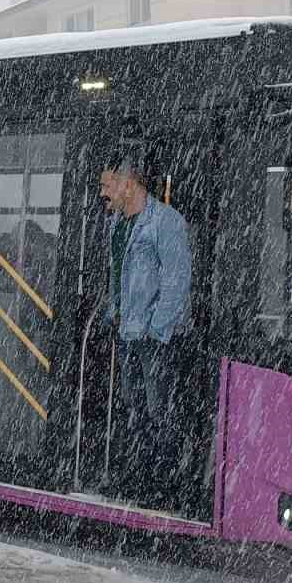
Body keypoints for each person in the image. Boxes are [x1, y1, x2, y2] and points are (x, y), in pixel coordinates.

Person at [99, 154, 192, 508]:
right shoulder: (118, 225)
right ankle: (137, 480)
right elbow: (118, 276)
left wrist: (156, 328)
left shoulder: (165, 222)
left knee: (159, 412)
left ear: (129, 184)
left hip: (154, 337)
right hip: (127, 332)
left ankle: (163, 486)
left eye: (108, 184)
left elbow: (176, 280)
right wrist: (115, 314)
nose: (103, 192)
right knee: (135, 409)